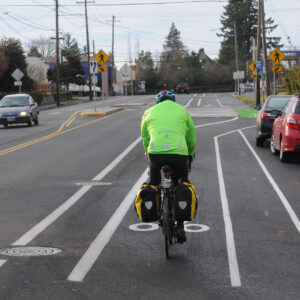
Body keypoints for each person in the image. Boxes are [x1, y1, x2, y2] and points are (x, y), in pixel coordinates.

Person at [141, 90, 196, 242]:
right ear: (174, 100)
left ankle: (156, 210)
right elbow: (191, 137)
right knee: (181, 183)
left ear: (157, 102)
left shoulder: (148, 112)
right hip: (178, 153)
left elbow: (145, 137)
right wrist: (190, 153)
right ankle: (180, 226)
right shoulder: (183, 111)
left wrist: (147, 152)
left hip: (156, 153)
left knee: (153, 183)